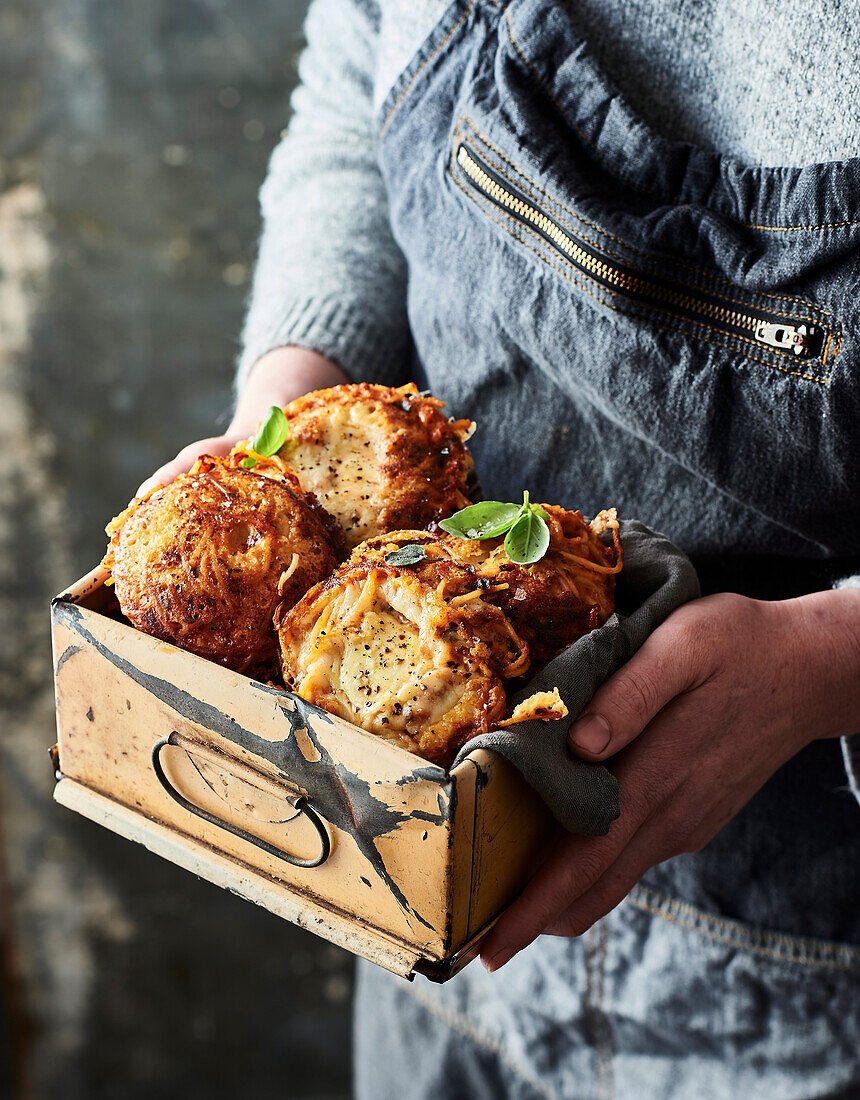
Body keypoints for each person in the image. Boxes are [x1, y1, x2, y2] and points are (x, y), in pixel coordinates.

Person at [141, 1, 860, 1095]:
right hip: (415, 885)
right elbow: (354, 88)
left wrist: (827, 663)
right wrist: (283, 413)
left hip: (795, 961)